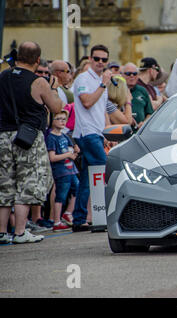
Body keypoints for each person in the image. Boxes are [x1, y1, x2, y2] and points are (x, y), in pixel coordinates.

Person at [0, 41, 64, 244]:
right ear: (37, 60)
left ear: (18, 56)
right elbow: (56, 108)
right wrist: (53, 89)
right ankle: (19, 232)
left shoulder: (3, 77)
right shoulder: (38, 82)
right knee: (27, 183)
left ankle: (1, 233)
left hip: (2, 135)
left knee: (5, 184)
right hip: (28, 137)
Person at [71, 44, 112, 232]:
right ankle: (102, 216)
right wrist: (103, 84)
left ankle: (79, 218)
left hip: (95, 132)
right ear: (90, 59)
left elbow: (101, 111)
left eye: (104, 60)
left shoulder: (100, 81)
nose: (100, 63)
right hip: (87, 133)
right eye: (97, 59)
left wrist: (104, 133)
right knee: (105, 173)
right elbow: (86, 102)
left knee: (88, 178)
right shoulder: (83, 78)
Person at [46, 110, 80, 231]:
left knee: (78, 189)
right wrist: (68, 155)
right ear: (52, 121)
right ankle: (56, 221)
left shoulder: (65, 136)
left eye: (64, 119)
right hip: (61, 171)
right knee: (60, 195)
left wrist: (75, 151)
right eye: (59, 119)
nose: (62, 121)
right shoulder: (51, 137)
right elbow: (52, 157)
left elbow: (73, 150)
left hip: (71, 170)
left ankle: (68, 213)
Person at [123, 63, 154, 129]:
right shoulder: (117, 90)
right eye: (128, 74)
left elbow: (150, 113)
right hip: (121, 132)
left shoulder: (142, 90)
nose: (132, 76)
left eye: (135, 74)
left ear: (138, 76)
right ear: (122, 75)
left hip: (138, 132)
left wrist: (144, 123)